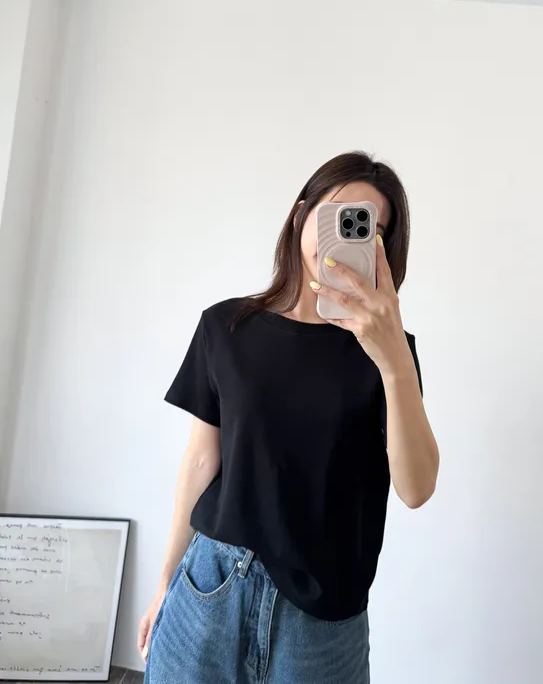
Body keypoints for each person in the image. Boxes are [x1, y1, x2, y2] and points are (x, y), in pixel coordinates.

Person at [138, 151, 439, 683]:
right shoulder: (226, 327)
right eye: (337, 215)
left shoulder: (391, 352)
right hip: (211, 585)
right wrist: (166, 578)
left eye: (368, 228)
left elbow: (416, 489)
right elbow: (201, 460)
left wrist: (393, 359)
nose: (347, 236)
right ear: (301, 216)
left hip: (323, 617)